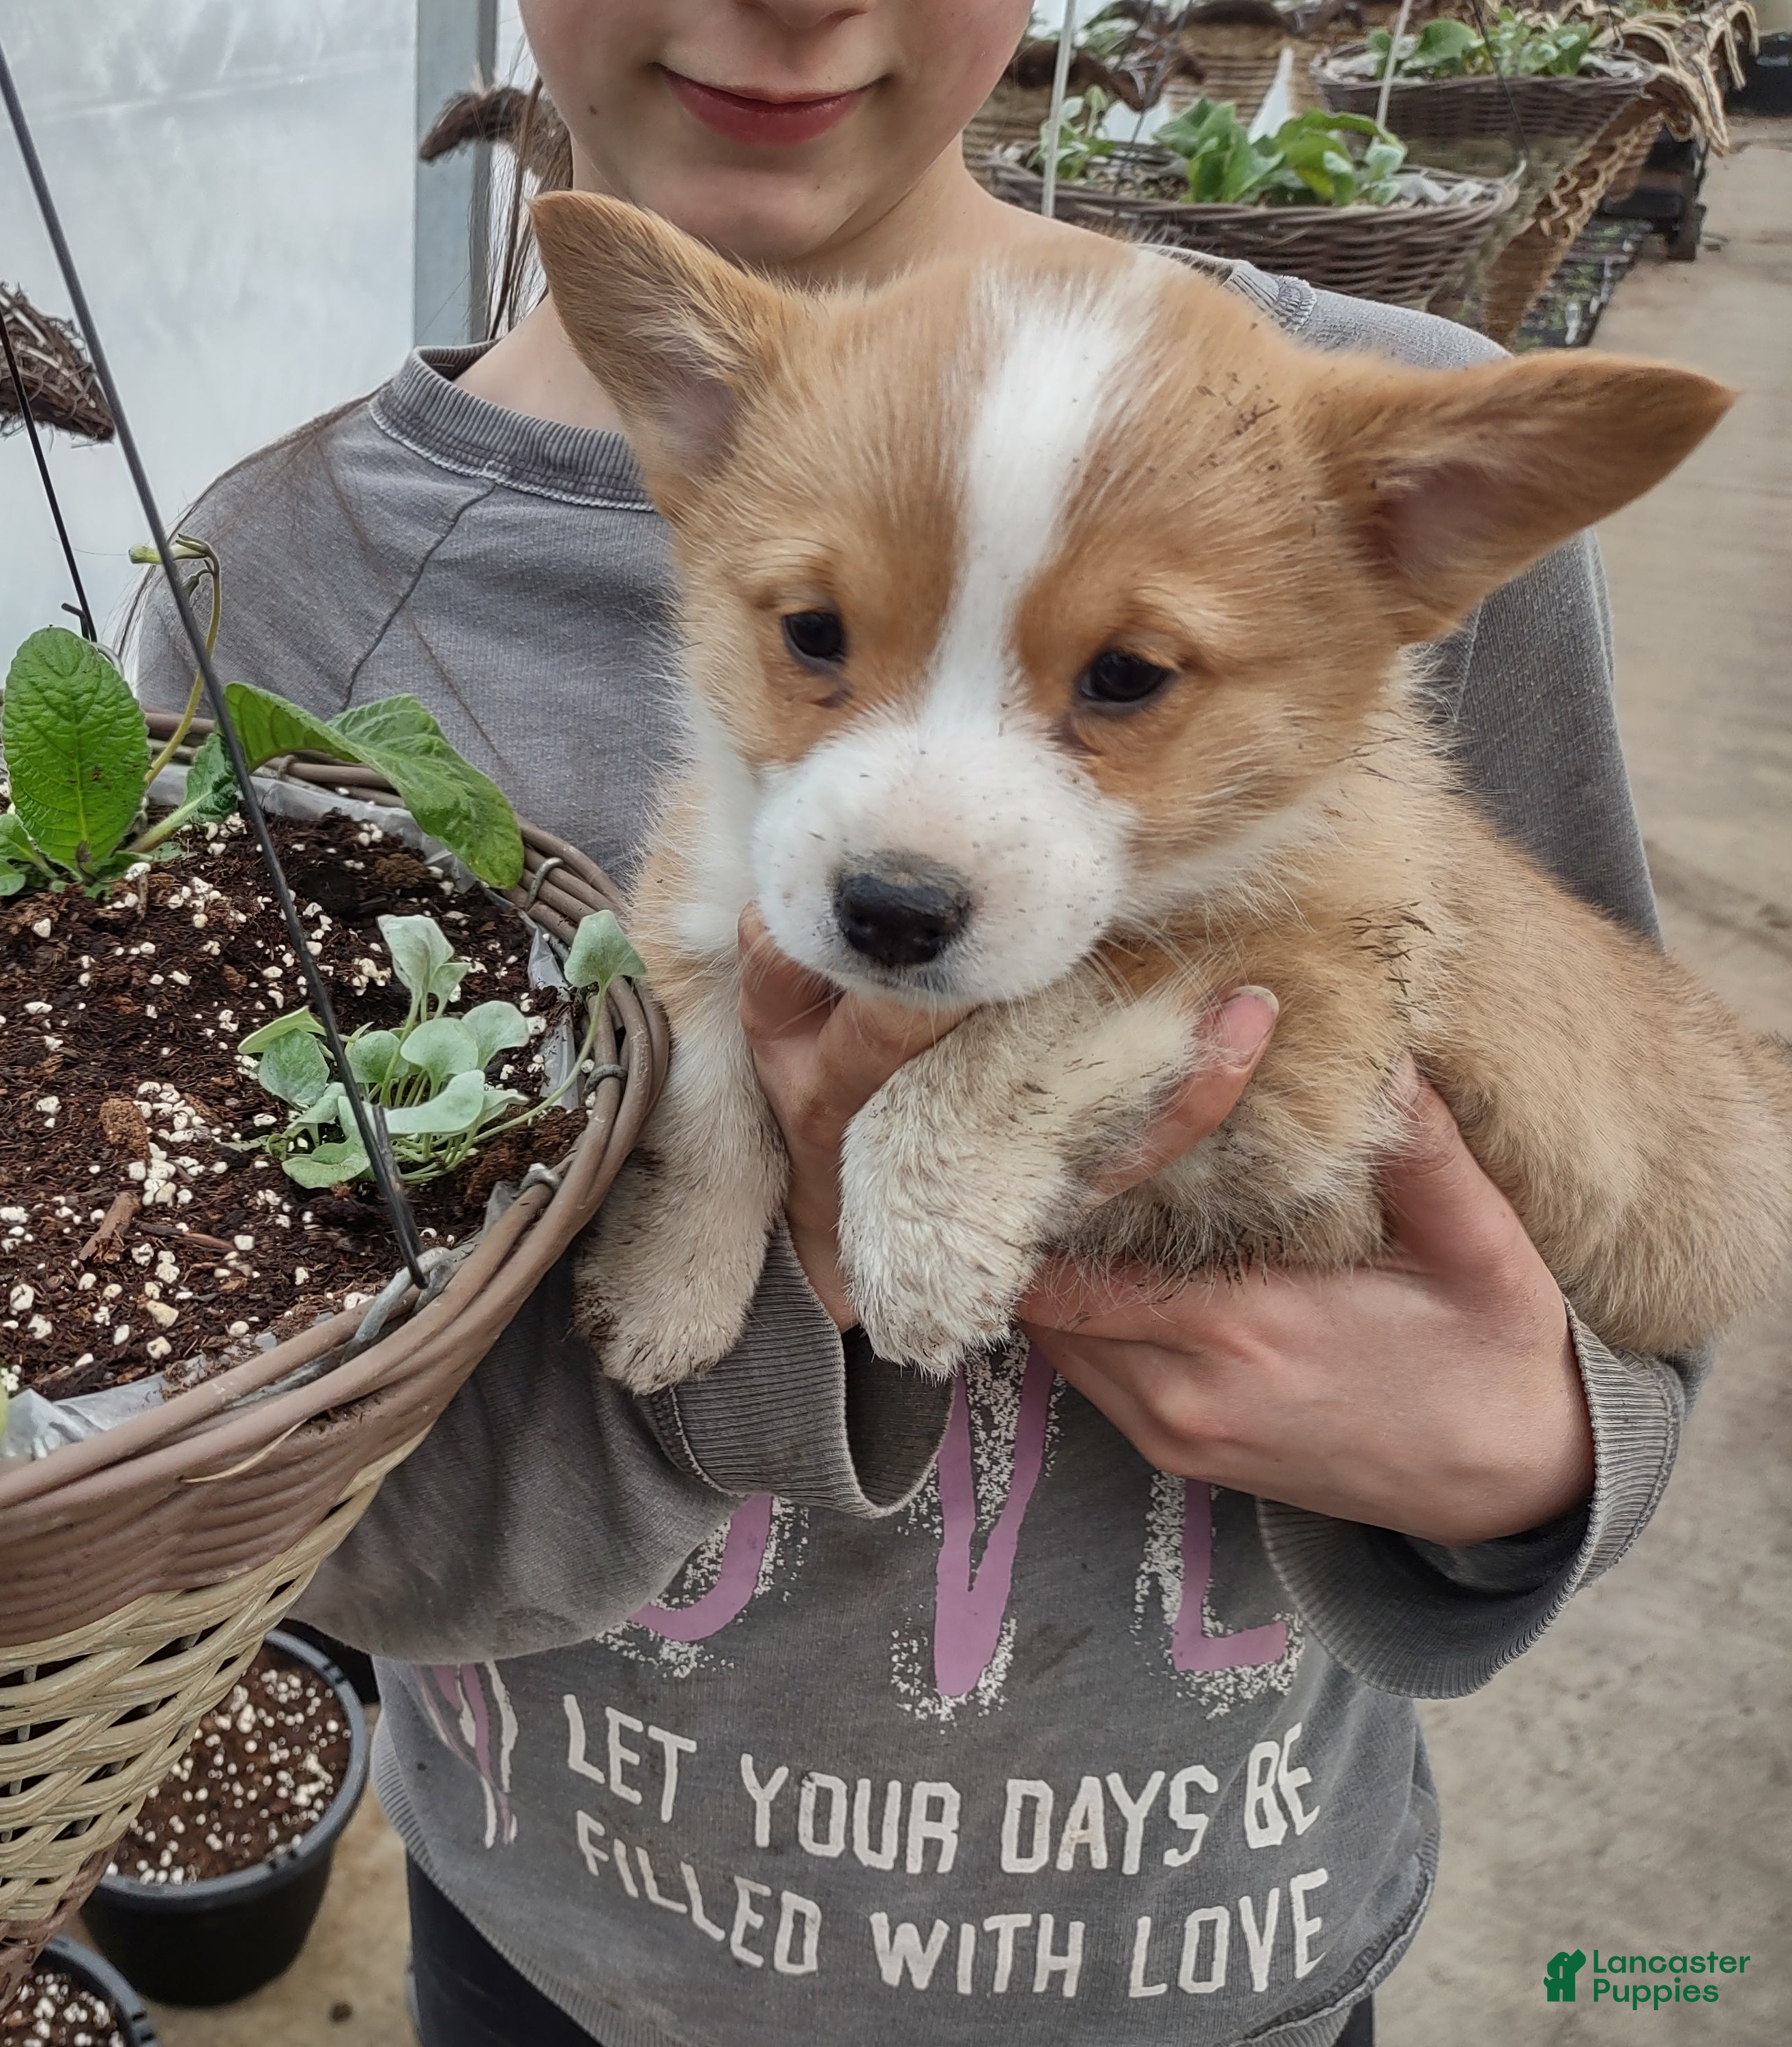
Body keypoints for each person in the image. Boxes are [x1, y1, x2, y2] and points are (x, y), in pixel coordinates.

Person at [131, 6, 1691, 2042]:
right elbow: (274, 1486)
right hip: (571, 1938)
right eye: (814, 640)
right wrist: (777, 1261)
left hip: (1202, 1965)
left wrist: (1539, 1458)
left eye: (1127, 676)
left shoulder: (1363, 449)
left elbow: (1643, 1203)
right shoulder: (289, 590)